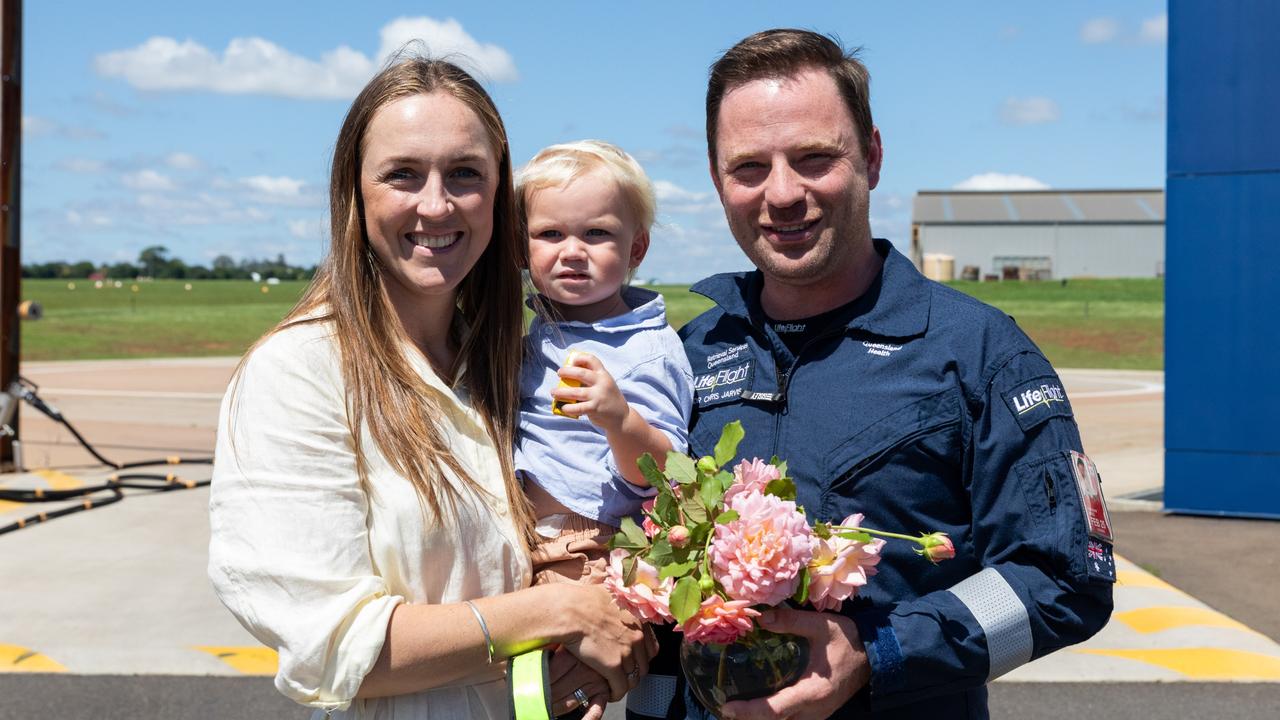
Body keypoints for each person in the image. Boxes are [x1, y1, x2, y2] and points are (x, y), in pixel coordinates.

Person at [630, 29, 1115, 720]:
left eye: (814, 158)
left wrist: (877, 653)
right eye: (749, 168)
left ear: (873, 157)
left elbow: (1065, 579)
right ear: (717, 180)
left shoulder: (977, 353)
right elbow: (659, 618)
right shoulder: (687, 354)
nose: (784, 193)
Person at [207, 58, 652, 720]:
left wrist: (593, 660)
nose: (436, 204)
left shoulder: (509, 369)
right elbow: (334, 648)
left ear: (500, 197)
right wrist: (555, 612)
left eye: (465, 174)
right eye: (403, 174)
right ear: (355, 194)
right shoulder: (298, 373)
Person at [514, 140, 694, 586]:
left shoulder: (649, 348)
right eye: (550, 234)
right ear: (521, 250)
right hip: (522, 537)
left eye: (596, 233)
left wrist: (619, 420)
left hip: (591, 548)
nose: (573, 250)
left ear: (636, 250)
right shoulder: (541, 332)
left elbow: (666, 474)